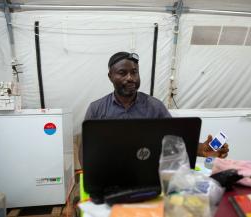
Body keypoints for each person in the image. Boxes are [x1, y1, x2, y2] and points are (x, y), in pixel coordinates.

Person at [84, 51, 229, 158]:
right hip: (110, 176)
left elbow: (175, 140)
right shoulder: (96, 109)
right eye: (122, 73)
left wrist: (201, 149)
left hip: (146, 175)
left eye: (134, 72)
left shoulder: (155, 107)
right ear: (110, 76)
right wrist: (91, 176)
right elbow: (85, 150)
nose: (130, 78)